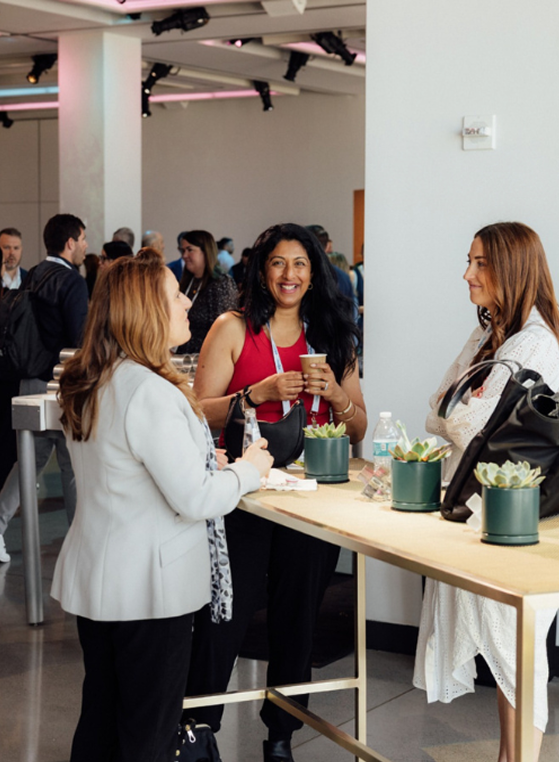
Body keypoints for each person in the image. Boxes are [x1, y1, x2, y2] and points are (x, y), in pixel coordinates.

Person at [51, 255, 273, 762]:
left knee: (102, 721)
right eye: (175, 294)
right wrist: (249, 470)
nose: (187, 303)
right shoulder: (150, 391)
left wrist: (199, 458)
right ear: (145, 310)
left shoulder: (94, 379)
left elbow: (125, 469)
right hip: (150, 591)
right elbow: (195, 498)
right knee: (148, 732)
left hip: (102, 582)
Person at [184, 222, 367, 762]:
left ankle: (282, 732)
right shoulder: (234, 328)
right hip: (244, 495)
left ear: (315, 274)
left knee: (298, 618)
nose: (290, 275)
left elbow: (357, 430)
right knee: (226, 614)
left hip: (312, 500)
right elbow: (196, 411)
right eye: (279, 264)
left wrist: (335, 393)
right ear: (263, 272)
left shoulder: (334, 335)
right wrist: (252, 393)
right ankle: (199, 727)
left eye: (301, 264)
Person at [412, 222, 559, 762]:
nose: (468, 274)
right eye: (470, 261)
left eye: (480, 263)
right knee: (507, 659)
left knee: (517, 658)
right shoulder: (496, 336)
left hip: (518, 518)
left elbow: (463, 424)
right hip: (488, 514)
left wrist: (458, 413)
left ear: (511, 268)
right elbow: (440, 404)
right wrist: (461, 404)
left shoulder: (533, 343)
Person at [0, 213, 89, 563]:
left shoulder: (33, 275)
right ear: (70, 242)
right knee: (71, 465)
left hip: (28, 382)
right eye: (82, 239)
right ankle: (80, 541)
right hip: (62, 384)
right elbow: (80, 340)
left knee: (27, 464)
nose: (84, 245)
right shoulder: (71, 281)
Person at [176, 230, 238, 355]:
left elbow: (225, 329)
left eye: (190, 250)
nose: (184, 255)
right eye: (183, 251)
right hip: (183, 356)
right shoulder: (187, 282)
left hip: (207, 357)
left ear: (205, 252)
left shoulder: (221, 283)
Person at [0, 227, 28, 490]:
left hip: (18, 369)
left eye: (15, 248)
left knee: (14, 437)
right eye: (6, 247)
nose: (10, 253)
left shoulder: (30, 280)